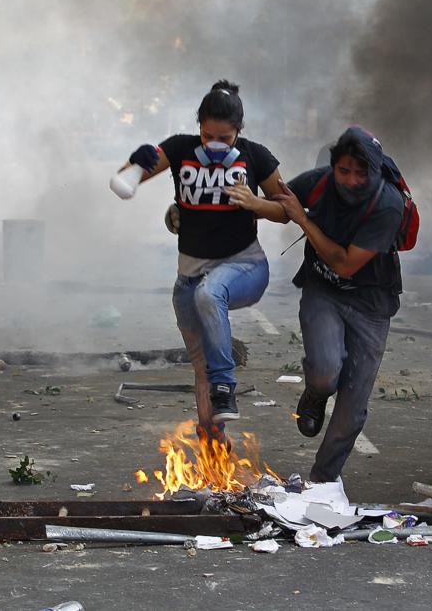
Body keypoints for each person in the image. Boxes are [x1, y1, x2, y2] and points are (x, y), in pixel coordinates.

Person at [114, 80, 287, 448]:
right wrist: (134, 164)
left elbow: (288, 209)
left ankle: (226, 386)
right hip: (189, 277)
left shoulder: (255, 157)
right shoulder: (180, 149)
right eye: (208, 135)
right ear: (199, 128)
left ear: (239, 132)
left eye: (224, 138)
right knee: (201, 365)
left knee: (211, 295)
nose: (215, 145)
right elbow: (128, 179)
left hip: (245, 267)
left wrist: (256, 204)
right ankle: (212, 440)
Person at [273, 126, 405, 482]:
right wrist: (232, 201)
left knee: (351, 412)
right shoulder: (319, 182)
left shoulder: (388, 205)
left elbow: (345, 263)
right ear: (333, 168)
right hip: (323, 293)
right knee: (326, 370)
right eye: (343, 171)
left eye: (361, 173)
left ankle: (321, 482)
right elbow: (276, 202)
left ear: (375, 172)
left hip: (371, 304)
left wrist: (303, 219)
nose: (350, 181)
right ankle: (315, 394)